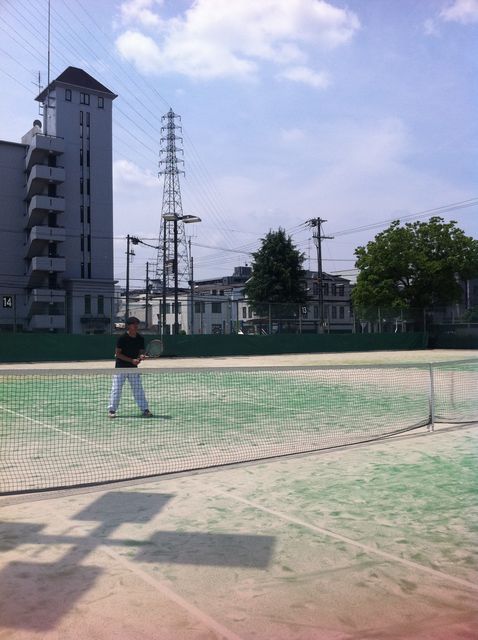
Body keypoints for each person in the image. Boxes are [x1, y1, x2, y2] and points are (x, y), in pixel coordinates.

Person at [108, 317, 153, 418]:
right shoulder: (122, 338)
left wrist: (141, 357)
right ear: (128, 326)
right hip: (120, 368)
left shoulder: (140, 338)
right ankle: (112, 410)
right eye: (133, 324)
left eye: (137, 323)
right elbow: (118, 354)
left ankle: (145, 410)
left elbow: (140, 353)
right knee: (116, 389)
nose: (136, 326)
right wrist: (131, 360)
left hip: (133, 368)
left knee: (138, 390)